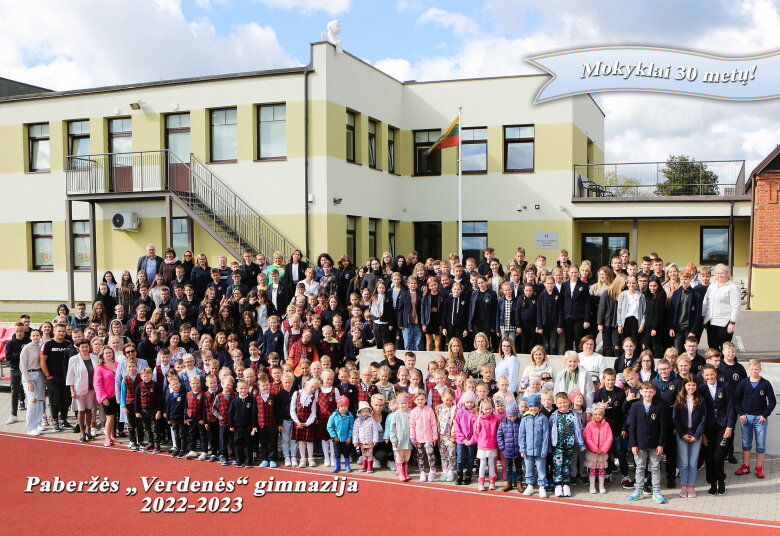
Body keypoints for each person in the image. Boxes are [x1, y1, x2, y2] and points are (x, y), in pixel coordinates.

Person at [734, 359, 776, 480]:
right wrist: (741, 414)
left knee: (760, 445)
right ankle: (745, 466)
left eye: (756, 369)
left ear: (760, 370)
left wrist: (765, 415)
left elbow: (772, 402)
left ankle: (759, 468)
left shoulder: (765, 384)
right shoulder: (743, 383)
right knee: (746, 444)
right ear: (749, 369)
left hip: (760, 419)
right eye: (752, 369)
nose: (754, 371)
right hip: (746, 418)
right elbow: (736, 400)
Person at [627, 381, 668, 504]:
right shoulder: (635, 406)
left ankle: (656, 492)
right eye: (645, 391)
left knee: (655, 468)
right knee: (640, 467)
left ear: (654, 392)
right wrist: (633, 444)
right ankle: (638, 490)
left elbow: (663, 427)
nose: (648, 394)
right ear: (641, 392)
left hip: (655, 443)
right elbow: (632, 427)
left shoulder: (659, 406)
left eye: (650, 391)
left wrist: (661, 444)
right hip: (640, 443)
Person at [672, 379, 706, 498]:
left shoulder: (700, 400)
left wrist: (697, 435)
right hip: (683, 434)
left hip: (696, 434)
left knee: (692, 463)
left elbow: (703, 419)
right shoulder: (679, 399)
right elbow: (675, 418)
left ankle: (691, 487)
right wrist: (682, 434)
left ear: (696, 386)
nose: (691, 387)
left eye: (693, 385)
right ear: (684, 386)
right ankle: (684, 486)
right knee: (684, 462)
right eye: (688, 385)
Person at [41, 324, 74, 432]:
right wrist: (48, 375)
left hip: (66, 377)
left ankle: (63, 420)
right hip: (53, 377)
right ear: (54, 331)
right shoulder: (48, 344)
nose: (61, 333)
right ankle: (54, 421)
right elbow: (42, 361)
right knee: (54, 400)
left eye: (63, 331)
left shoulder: (68, 343)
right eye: (59, 331)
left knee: (66, 400)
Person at [702, 264, 740, 351]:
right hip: (711, 321)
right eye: (718, 273)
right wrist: (703, 316)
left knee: (725, 348)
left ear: (727, 273)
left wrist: (732, 322)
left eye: (722, 273)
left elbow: (736, 307)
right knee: (712, 348)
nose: (720, 275)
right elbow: (706, 301)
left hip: (725, 322)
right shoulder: (712, 286)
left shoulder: (733, 287)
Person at [519, 393, 550, 497]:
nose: (533, 408)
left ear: (539, 406)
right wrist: (522, 449)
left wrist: (544, 450)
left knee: (541, 469)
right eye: (531, 406)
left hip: (540, 450)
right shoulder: (525, 419)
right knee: (528, 469)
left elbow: (546, 435)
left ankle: (542, 486)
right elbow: (522, 435)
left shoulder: (543, 418)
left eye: (535, 406)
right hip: (528, 450)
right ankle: (530, 485)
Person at [668, 270, 703, 354]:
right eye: (682, 279)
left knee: (690, 352)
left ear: (690, 279)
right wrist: (671, 327)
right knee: (678, 351)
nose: (684, 281)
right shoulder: (676, 293)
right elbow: (672, 312)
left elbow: (698, 314)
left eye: (686, 279)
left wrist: (693, 330)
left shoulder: (696, 295)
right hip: (677, 328)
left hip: (689, 328)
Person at [583, 403, 613, 494]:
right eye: (595, 414)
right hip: (593, 452)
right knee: (592, 469)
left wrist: (603, 449)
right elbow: (587, 437)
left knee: (601, 469)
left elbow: (609, 437)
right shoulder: (589, 425)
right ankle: (592, 486)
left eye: (600, 414)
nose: (597, 416)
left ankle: (601, 486)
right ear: (592, 415)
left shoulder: (606, 425)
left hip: (602, 452)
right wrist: (595, 449)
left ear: (603, 415)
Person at [3, 322, 30, 425]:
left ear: (24, 330)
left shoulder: (29, 341)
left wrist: (17, 354)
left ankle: (31, 416)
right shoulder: (10, 343)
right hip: (15, 370)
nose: (19, 333)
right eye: (17, 331)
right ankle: (13, 415)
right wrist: (21, 353)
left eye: (21, 331)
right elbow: (9, 357)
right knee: (14, 392)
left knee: (30, 392)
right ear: (14, 331)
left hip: (27, 369)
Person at [291, 378, 320, 468]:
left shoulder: (313, 398)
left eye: (315, 389)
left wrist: (307, 423)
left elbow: (313, 412)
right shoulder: (297, 394)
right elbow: (292, 409)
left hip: (308, 422)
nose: (313, 389)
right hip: (298, 421)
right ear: (307, 385)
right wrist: (297, 421)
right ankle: (302, 459)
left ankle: (311, 458)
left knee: (309, 441)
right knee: (301, 441)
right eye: (312, 387)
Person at [560, 264, 591, 352]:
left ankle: (579, 357)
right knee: (568, 340)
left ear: (578, 273)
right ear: (568, 273)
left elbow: (587, 303)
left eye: (575, 272)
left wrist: (586, 320)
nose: (573, 274)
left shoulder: (584, 285)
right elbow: (562, 302)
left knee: (578, 339)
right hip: (567, 317)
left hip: (579, 317)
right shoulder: (564, 285)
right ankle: (569, 357)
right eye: (572, 272)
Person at [409, 391, 438, 482]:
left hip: (428, 437)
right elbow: (412, 426)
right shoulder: (413, 412)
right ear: (415, 400)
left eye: (422, 399)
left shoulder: (429, 410)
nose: (420, 401)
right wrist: (412, 437)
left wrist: (435, 436)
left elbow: (433, 424)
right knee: (420, 456)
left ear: (425, 400)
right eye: (418, 399)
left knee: (430, 454)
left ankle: (432, 471)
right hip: (418, 438)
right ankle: (422, 472)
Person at [474, 397, 502, 491]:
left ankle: (492, 481)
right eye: (486, 409)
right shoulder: (479, 420)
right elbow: (476, 433)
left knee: (491, 463)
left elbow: (498, 431)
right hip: (482, 445)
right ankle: (481, 482)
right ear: (481, 409)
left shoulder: (495, 419)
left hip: (492, 444)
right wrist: (480, 441)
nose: (488, 411)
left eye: (490, 408)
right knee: (482, 463)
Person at [93, 347, 119, 447]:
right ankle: (107, 438)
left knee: (114, 417)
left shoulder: (117, 365)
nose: (108, 354)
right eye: (106, 353)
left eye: (110, 352)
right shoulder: (100, 368)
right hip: (107, 397)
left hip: (117, 396)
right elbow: (97, 384)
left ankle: (112, 436)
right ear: (102, 355)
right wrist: (103, 397)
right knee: (110, 417)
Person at [228, 379, 257, 468]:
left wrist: (254, 426)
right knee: (238, 445)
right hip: (237, 428)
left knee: (248, 445)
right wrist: (231, 425)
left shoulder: (252, 400)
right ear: (237, 389)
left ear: (248, 389)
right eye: (241, 388)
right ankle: (240, 461)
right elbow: (230, 414)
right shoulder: (234, 401)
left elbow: (254, 414)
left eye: (245, 388)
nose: (243, 390)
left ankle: (248, 462)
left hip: (248, 428)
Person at [134, 366, 163, 454]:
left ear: (152, 375)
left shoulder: (156, 385)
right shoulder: (139, 386)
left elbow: (159, 399)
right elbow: (137, 400)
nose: (146, 377)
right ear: (141, 376)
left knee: (155, 428)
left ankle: (157, 444)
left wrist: (159, 411)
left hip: (154, 410)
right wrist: (137, 411)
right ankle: (151, 443)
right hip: (143, 411)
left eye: (148, 375)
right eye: (144, 376)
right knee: (147, 428)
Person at [497, 402, 522, 492]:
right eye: (510, 416)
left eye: (514, 416)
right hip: (507, 450)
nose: (512, 418)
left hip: (518, 449)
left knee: (518, 467)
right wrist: (502, 448)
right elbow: (499, 436)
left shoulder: (520, 422)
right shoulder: (503, 423)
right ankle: (509, 482)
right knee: (508, 467)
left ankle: (519, 482)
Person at [327, 395, 355, 474]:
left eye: (345, 406)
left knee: (347, 453)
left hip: (346, 439)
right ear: (338, 406)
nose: (344, 408)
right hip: (337, 439)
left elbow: (352, 427)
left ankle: (347, 466)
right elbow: (329, 426)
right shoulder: (334, 415)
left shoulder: (350, 416)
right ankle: (337, 466)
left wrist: (349, 437)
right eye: (342, 406)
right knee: (337, 453)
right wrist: (334, 436)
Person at [353, 400, 382, 473]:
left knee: (369, 454)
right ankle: (364, 465)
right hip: (362, 441)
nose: (365, 413)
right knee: (363, 454)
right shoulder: (357, 421)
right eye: (363, 411)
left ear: (369, 411)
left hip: (370, 441)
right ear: (360, 412)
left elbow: (375, 431)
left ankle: (369, 466)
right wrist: (355, 441)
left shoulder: (371, 420)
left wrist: (375, 440)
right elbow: (355, 432)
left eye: (367, 411)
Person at [436, 390, 458, 482]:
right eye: (446, 400)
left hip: (450, 436)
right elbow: (437, 422)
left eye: (450, 400)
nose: (448, 402)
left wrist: (454, 434)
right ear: (442, 398)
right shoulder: (438, 408)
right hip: (441, 435)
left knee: (451, 453)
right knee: (443, 453)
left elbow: (456, 422)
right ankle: (444, 470)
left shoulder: (454, 409)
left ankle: (451, 470)